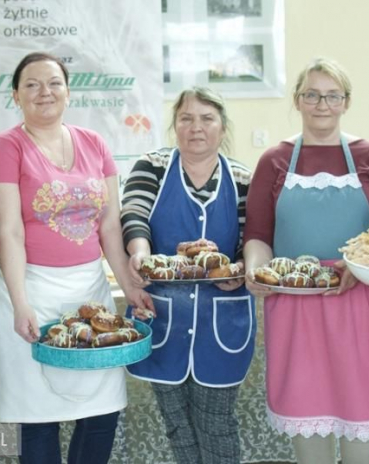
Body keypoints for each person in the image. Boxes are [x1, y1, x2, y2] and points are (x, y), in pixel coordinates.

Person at [0, 52, 149, 464]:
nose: (44, 92)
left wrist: (129, 289)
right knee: (37, 416)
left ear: (68, 91)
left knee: (101, 411)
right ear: (16, 95)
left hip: (89, 293)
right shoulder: (4, 148)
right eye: (32, 84)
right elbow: (11, 231)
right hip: (28, 288)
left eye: (54, 82)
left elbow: (110, 224)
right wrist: (21, 303)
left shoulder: (95, 143)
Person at [244, 58, 369, 464]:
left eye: (332, 95)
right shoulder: (274, 160)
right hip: (295, 306)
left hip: (362, 304)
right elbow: (259, 236)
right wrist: (254, 269)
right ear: (298, 100)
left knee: (364, 422)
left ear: (346, 102)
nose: (321, 104)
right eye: (312, 94)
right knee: (307, 421)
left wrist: (360, 265)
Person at [121, 87, 256, 464]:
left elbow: (254, 237)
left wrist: (242, 266)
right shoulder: (153, 167)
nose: (196, 127)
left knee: (216, 422)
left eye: (207, 118)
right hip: (163, 316)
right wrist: (140, 253)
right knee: (176, 423)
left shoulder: (243, 178)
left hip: (223, 319)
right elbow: (133, 212)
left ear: (222, 126)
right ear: (175, 125)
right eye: (186, 118)